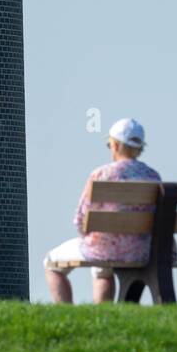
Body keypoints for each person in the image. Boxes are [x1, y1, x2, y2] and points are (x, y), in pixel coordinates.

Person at [44, 118, 162, 304]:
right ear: (140, 148)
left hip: (103, 249)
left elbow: (80, 219)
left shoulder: (101, 174)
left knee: (51, 263)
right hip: (141, 250)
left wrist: (90, 235)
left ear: (115, 145)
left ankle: (66, 312)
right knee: (101, 265)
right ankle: (103, 313)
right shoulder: (153, 177)